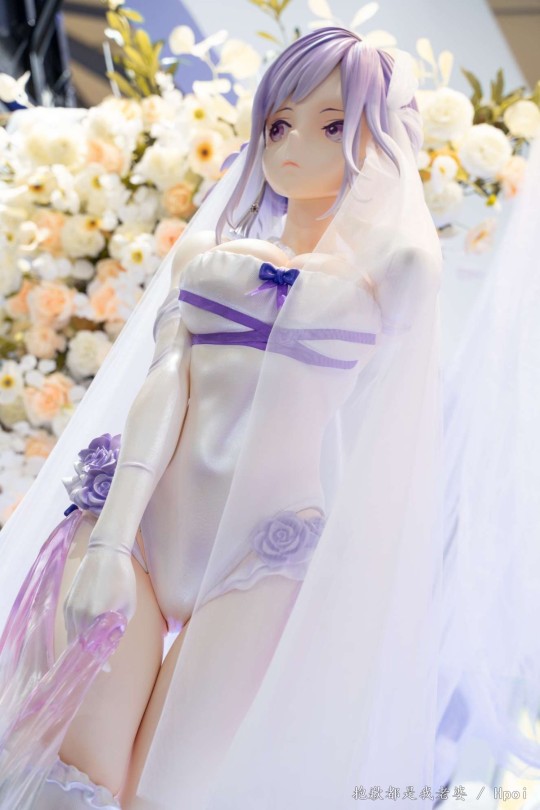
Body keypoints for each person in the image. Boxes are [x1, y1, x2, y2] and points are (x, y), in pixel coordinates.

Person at [0, 26, 533, 810]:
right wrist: (112, 538)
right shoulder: (205, 257)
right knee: (72, 774)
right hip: (136, 528)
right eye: (278, 124)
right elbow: (164, 385)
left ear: (379, 135)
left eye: (332, 124)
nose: (291, 147)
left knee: (165, 791)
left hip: (268, 558)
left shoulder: (396, 274)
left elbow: (388, 443)